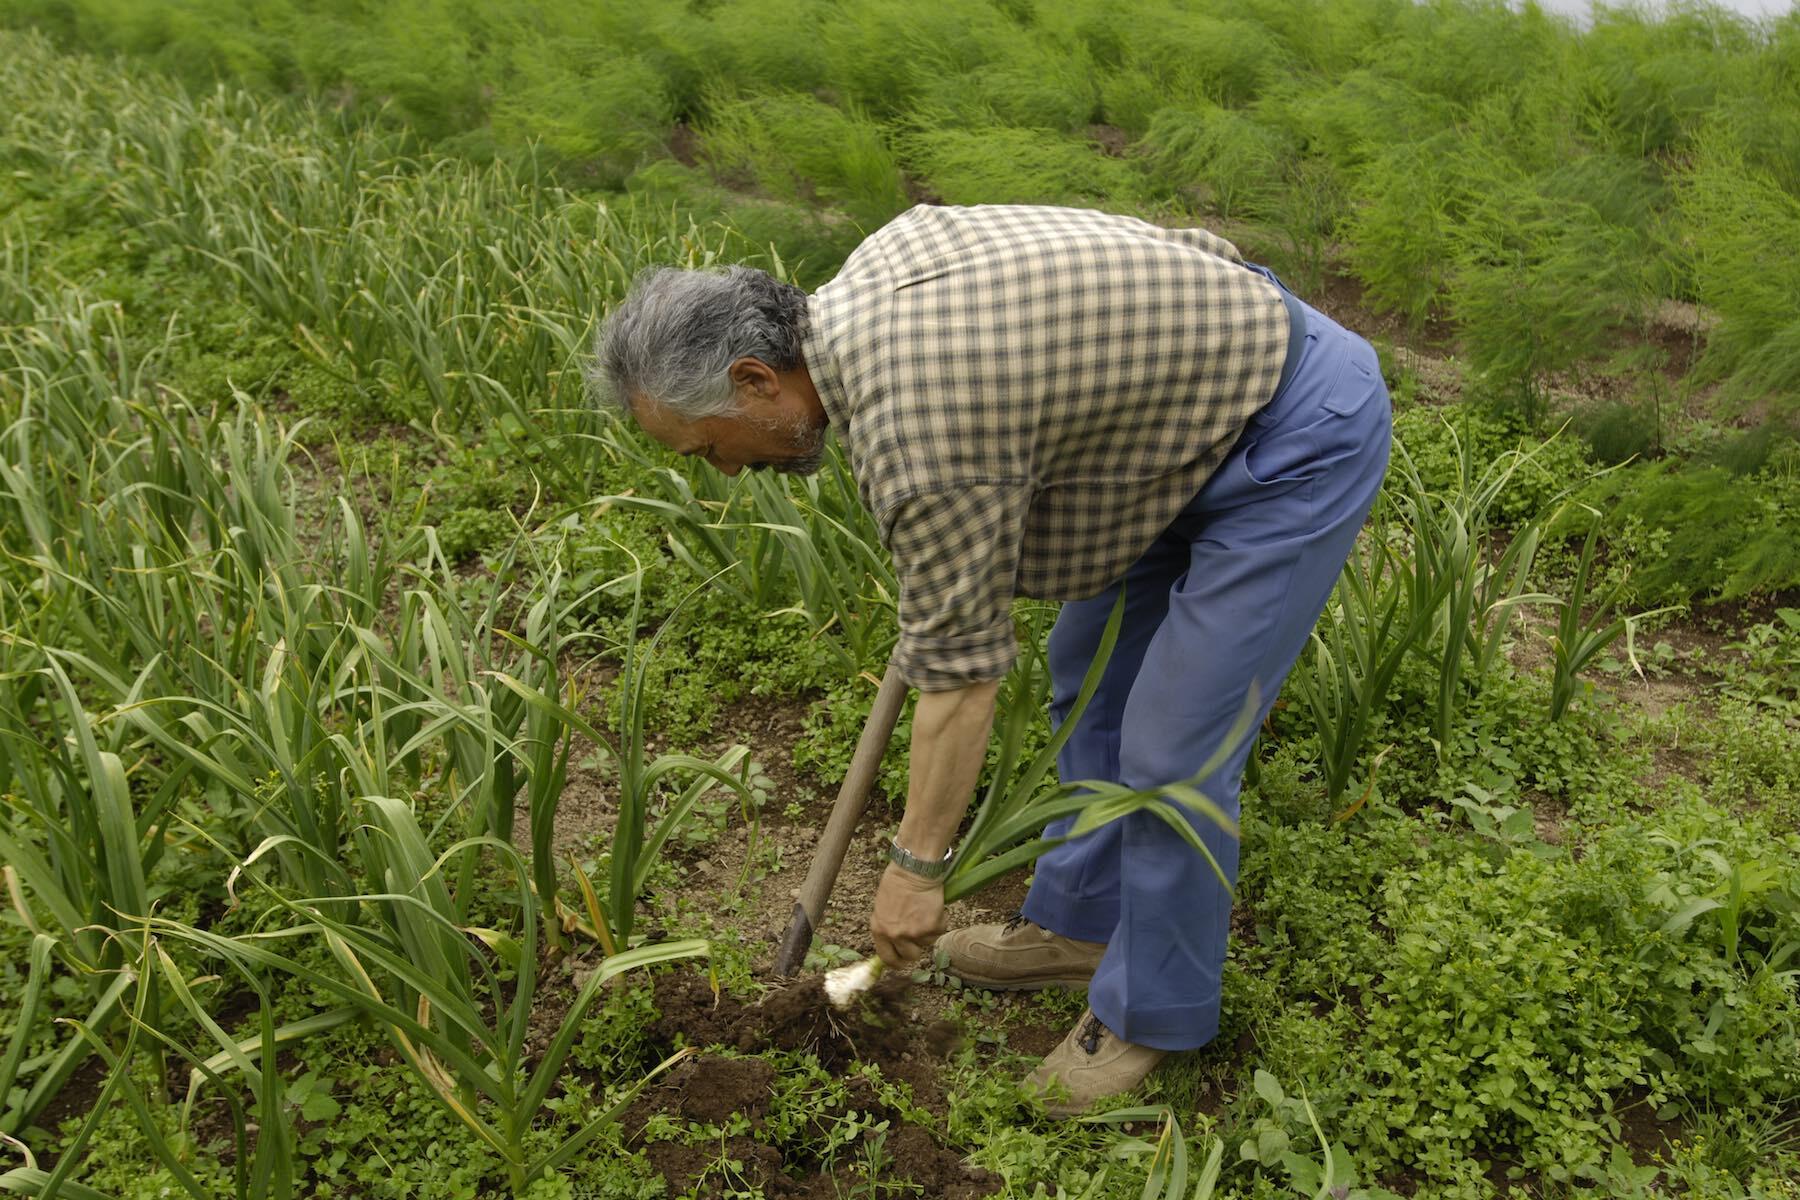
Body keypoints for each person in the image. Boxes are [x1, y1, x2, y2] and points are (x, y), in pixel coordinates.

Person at [591, 204, 1390, 1115]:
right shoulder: (865, 279)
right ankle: (1080, 927)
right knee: (1088, 687)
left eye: (708, 449)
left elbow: (963, 675)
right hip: (1169, 425)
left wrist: (914, 871)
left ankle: (1151, 1010)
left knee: (1175, 750)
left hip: (1294, 429)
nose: (725, 472)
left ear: (756, 377)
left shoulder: (924, 433)